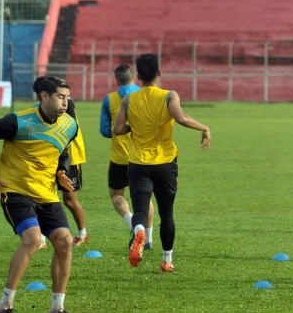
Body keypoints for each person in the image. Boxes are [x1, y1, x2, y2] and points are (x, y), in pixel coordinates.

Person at [0, 76, 83, 313]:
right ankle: (4, 306)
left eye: (67, 97)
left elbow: (63, 151)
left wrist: (61, 171)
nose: (66, 102)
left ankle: (57, 310)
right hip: (15, 191)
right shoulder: (17, 121)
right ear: (44, 96)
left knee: (64, 241)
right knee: (33, 240)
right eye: (60, 96)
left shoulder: (70, 125)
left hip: (46, 194)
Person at [113, 53, 211, 273]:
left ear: (138, 76)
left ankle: (138, 229)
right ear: (158, 73)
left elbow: (117, 129)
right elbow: (181, 118)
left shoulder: (129, 99)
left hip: (138, 163)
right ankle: (167, 260)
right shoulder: (169, 95)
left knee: (140, 209)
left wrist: (135, 127)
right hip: (165, 162)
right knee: (166, 212)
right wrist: (204, 127)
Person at [100, 64, 154, 248]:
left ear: (116, 79)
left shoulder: (110, 99)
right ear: (134, 77)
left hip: (120, 158)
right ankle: (149, 238)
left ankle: (134, 225)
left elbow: (105, 130)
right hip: (143, 156)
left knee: (116, 195)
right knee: (146, 197)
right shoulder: (147, 95)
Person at [60, 99, 89, 246]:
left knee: (69, 199)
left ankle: (82, 233)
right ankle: (40, 238)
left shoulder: (68, 103)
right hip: (49, 157)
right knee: (40, 198)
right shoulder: (39, 107)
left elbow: (70, 128)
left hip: (70, 158)